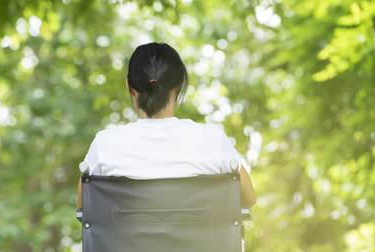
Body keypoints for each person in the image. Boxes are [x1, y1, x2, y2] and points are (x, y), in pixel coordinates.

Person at [77, 42, 256, 208]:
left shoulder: (105, 144)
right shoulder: (212, 138)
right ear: (181, 85)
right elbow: (248, 199)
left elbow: (84, 207)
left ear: (130, 87)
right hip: (197, 243)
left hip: (127, 244)